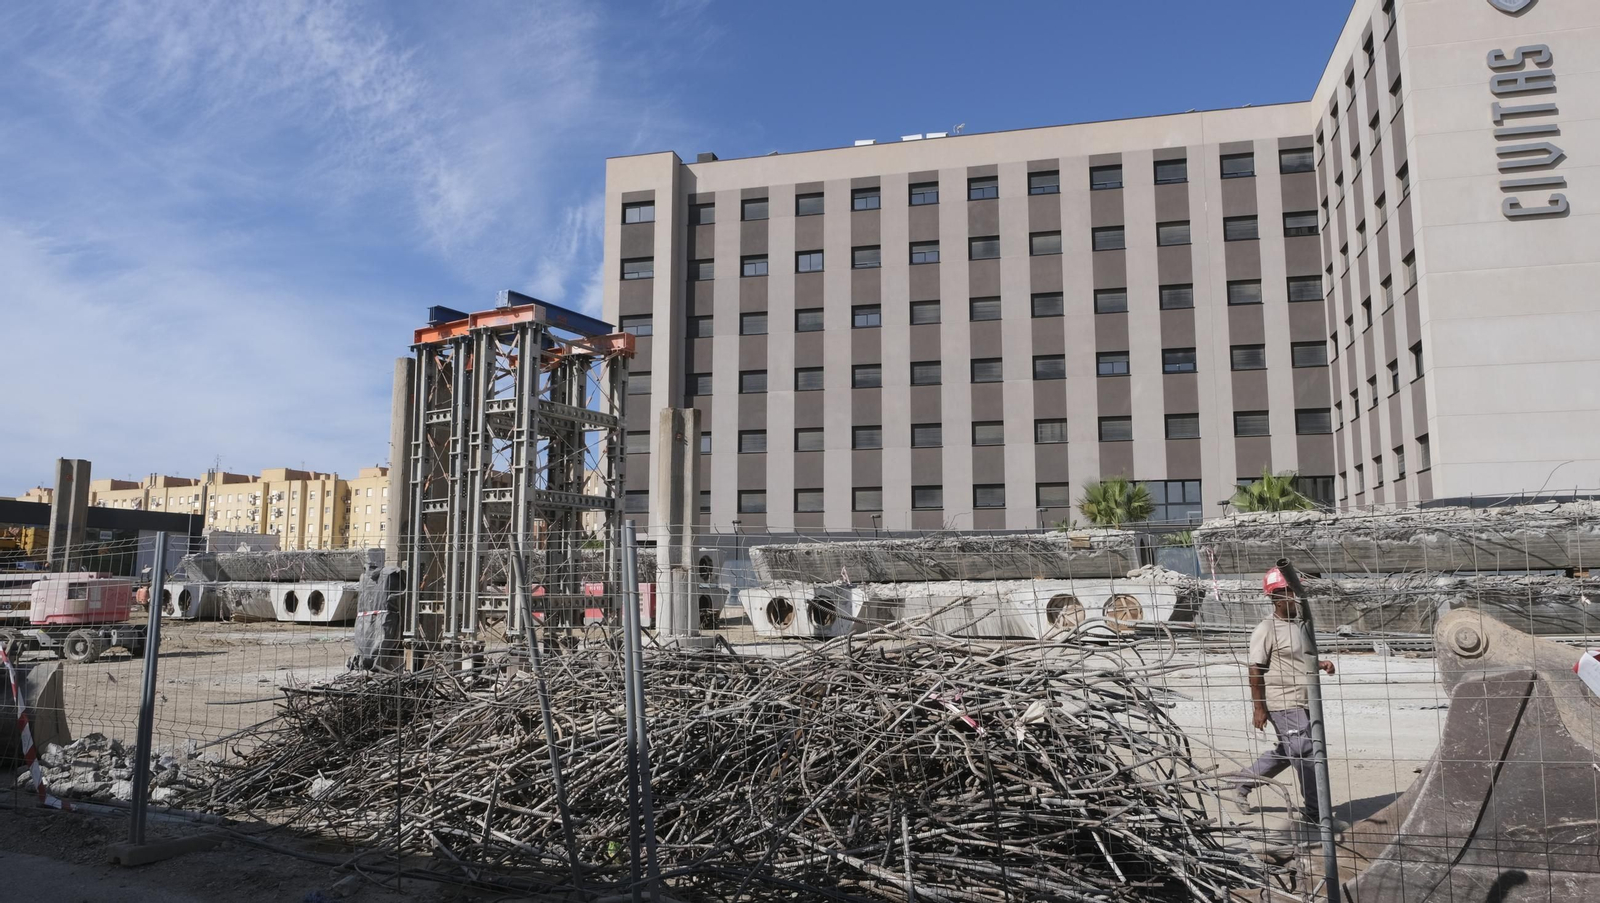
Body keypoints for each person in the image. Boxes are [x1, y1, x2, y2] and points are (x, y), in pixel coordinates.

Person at [1232, 566, 1336, 827]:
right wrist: (1259, 708)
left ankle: (1242, 782)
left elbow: (1300, 659)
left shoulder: (1299, 625)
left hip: (1305, 700)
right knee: (1306, 752)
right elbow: (1255, 670)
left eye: (1296, 592)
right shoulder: (1266, 629)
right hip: (1283, 702)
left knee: (1287, 751)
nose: (1295, 598)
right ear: (1275, 597)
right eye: (1289, 593)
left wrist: (1320, 663)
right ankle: (1316, 814)